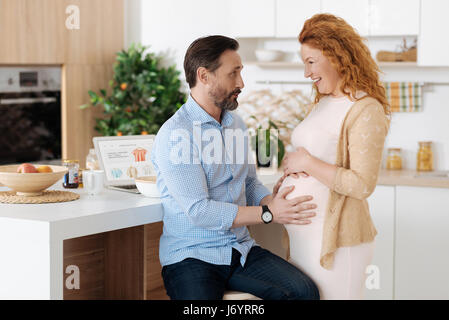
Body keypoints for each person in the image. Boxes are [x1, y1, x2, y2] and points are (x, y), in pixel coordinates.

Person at [150, 35, 320, 300]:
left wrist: (272, 201)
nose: (241, 83)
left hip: (239, 250)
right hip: (192, 257)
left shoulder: (235, 125)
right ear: (204, 76)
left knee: (304, 293)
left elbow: (249, 183)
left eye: (241, 72)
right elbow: (199, 211)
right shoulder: (176, 134)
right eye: (233, 74)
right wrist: (267, 214)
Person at [279, 14, 391, 300]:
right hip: (306, 240)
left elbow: (362, 184)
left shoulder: (365, 108)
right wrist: (292, 167)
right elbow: (315, 155)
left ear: (337, 57)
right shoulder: (322, 102)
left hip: (339, 244)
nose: (306, 73)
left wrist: (306, 163)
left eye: (311, 62)